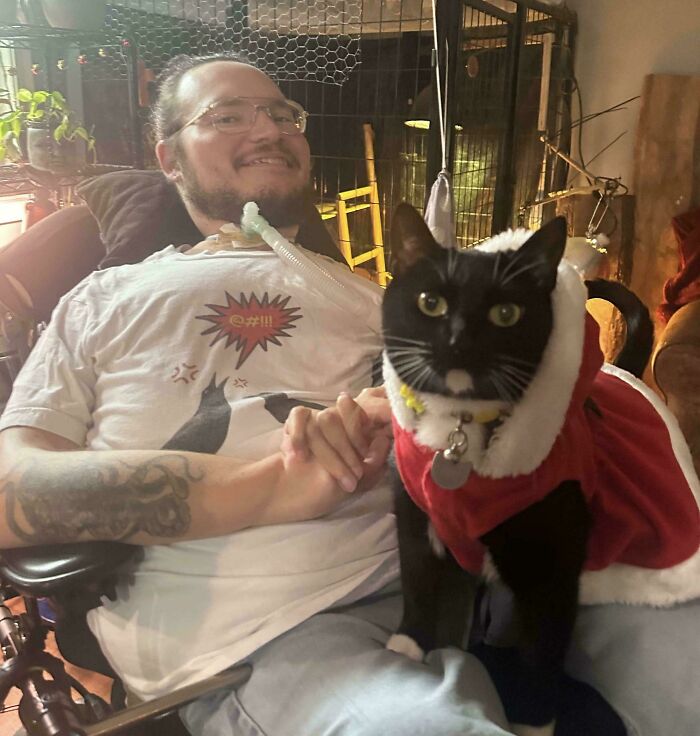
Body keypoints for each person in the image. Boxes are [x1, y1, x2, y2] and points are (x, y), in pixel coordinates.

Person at [0, 54, 512, 735]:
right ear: (170, 158)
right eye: (227, 117)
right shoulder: (102, 299)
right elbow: (10, 491)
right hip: (275, 629)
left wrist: (413, 410)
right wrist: (274, 487)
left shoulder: (373, 298)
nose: (269, 129)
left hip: (465, 571)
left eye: (282, 114)